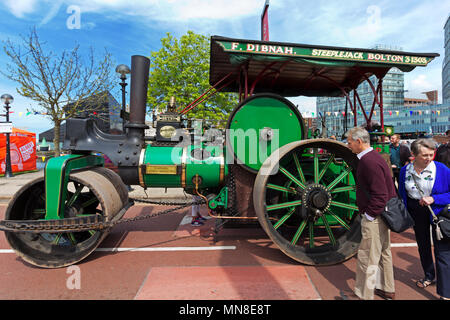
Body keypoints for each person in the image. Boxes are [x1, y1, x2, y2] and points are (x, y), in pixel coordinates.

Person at [339, 127, 397, 300]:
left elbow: (380, 195)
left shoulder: (368, 161)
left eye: (349, 142)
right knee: (384, 253)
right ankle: (387, 288)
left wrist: (368, 216)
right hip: (384, 214)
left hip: (375, 216)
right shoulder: (375, 158)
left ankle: (363, 294)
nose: (348, 146)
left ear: (359, 142)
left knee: (367, 257)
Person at [398, 138, 450, 300]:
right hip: (416, 211)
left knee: (443, 251)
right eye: (424, 155)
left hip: (438, 211)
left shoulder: (441, 169)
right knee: (423, 245)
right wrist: (405, 214)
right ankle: (429, 275)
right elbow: (402, 195)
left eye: (431, 154)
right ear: (413, 154)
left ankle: (445, 292)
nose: (429, 158)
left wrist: (435, 199)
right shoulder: (404, 171)